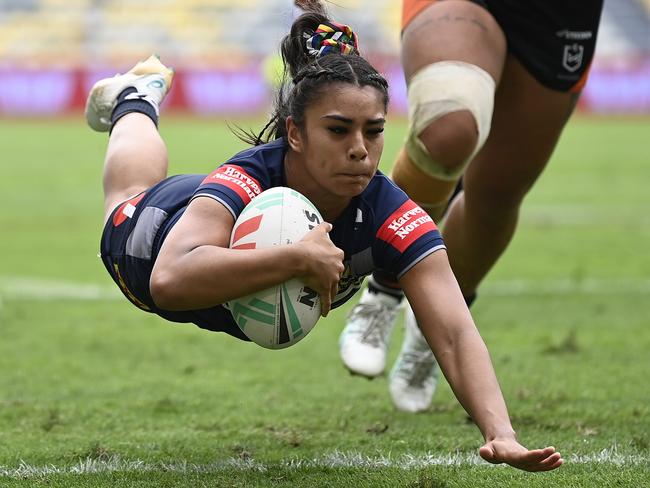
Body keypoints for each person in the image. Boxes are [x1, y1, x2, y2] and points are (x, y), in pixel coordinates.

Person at [87, 0, 562, 471]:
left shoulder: (387, 210)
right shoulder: (247, 175)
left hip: (222, 234)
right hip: (162, 232)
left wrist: (501, 434)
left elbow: (455, 332)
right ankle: (136, 99)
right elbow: (169, 281)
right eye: (338, 130)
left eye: (373, 131)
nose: (360, 150)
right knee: (129, 192)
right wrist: (296, 259)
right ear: (295, 133)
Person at [340, 0, 604, 412]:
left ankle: (435, 326)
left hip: (560, 14)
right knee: (448, 132)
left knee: (497, 193)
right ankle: (384, 291)